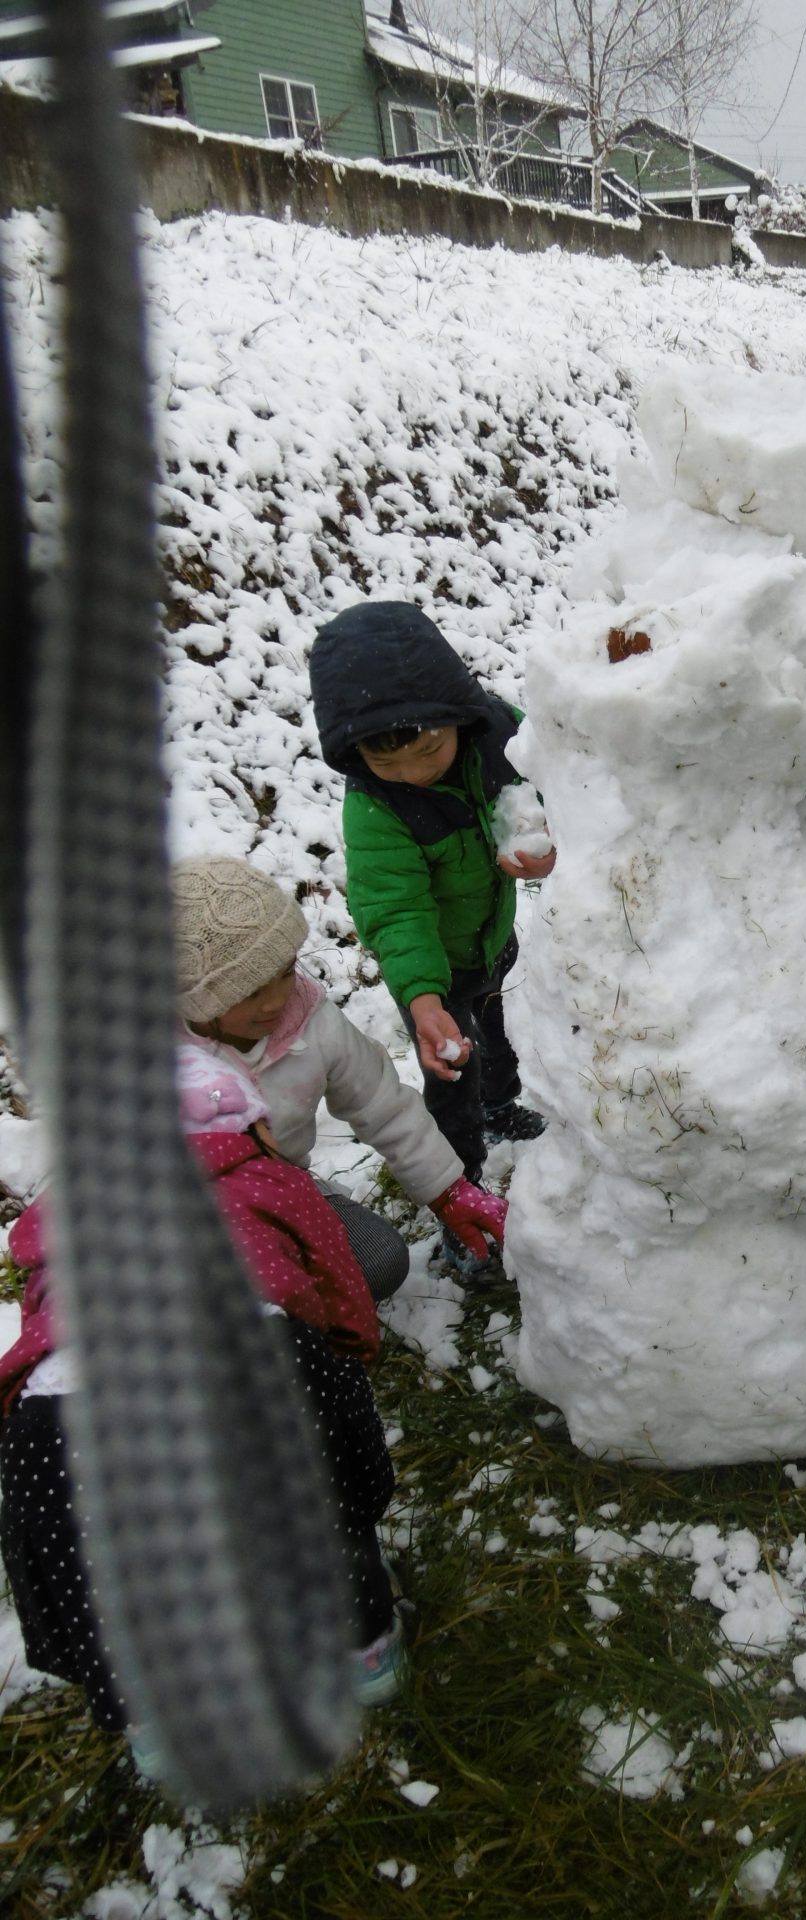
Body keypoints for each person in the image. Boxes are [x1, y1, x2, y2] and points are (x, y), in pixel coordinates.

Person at [0, 1044, 405, 1768]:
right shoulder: (270, 1177)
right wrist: (346, 1356)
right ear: (248, 1129)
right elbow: (338, 1274)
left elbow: (40, 1321)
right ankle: (362, 1651)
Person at [172, 853, 508, 1292]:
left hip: (285, 1191)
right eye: (250, 991)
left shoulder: (308, 1018)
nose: (275, 1001)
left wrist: (446, 1190)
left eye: (284, 972)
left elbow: (379, 1102)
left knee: (379, 1261)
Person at [309, 602, 556, 1183]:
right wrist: (424, 1001)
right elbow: (395, 908)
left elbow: (553, 793)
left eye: (427, 750)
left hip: (491, 938)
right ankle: (459, 1177)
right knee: (452, 1068)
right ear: (356, 752)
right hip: (432, 968)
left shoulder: (500, 740)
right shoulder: (377, 806)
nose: (415, 773)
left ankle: (501, 1106)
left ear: (458, 718)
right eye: (387, 761)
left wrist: (544, 847)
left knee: (497, 1034)